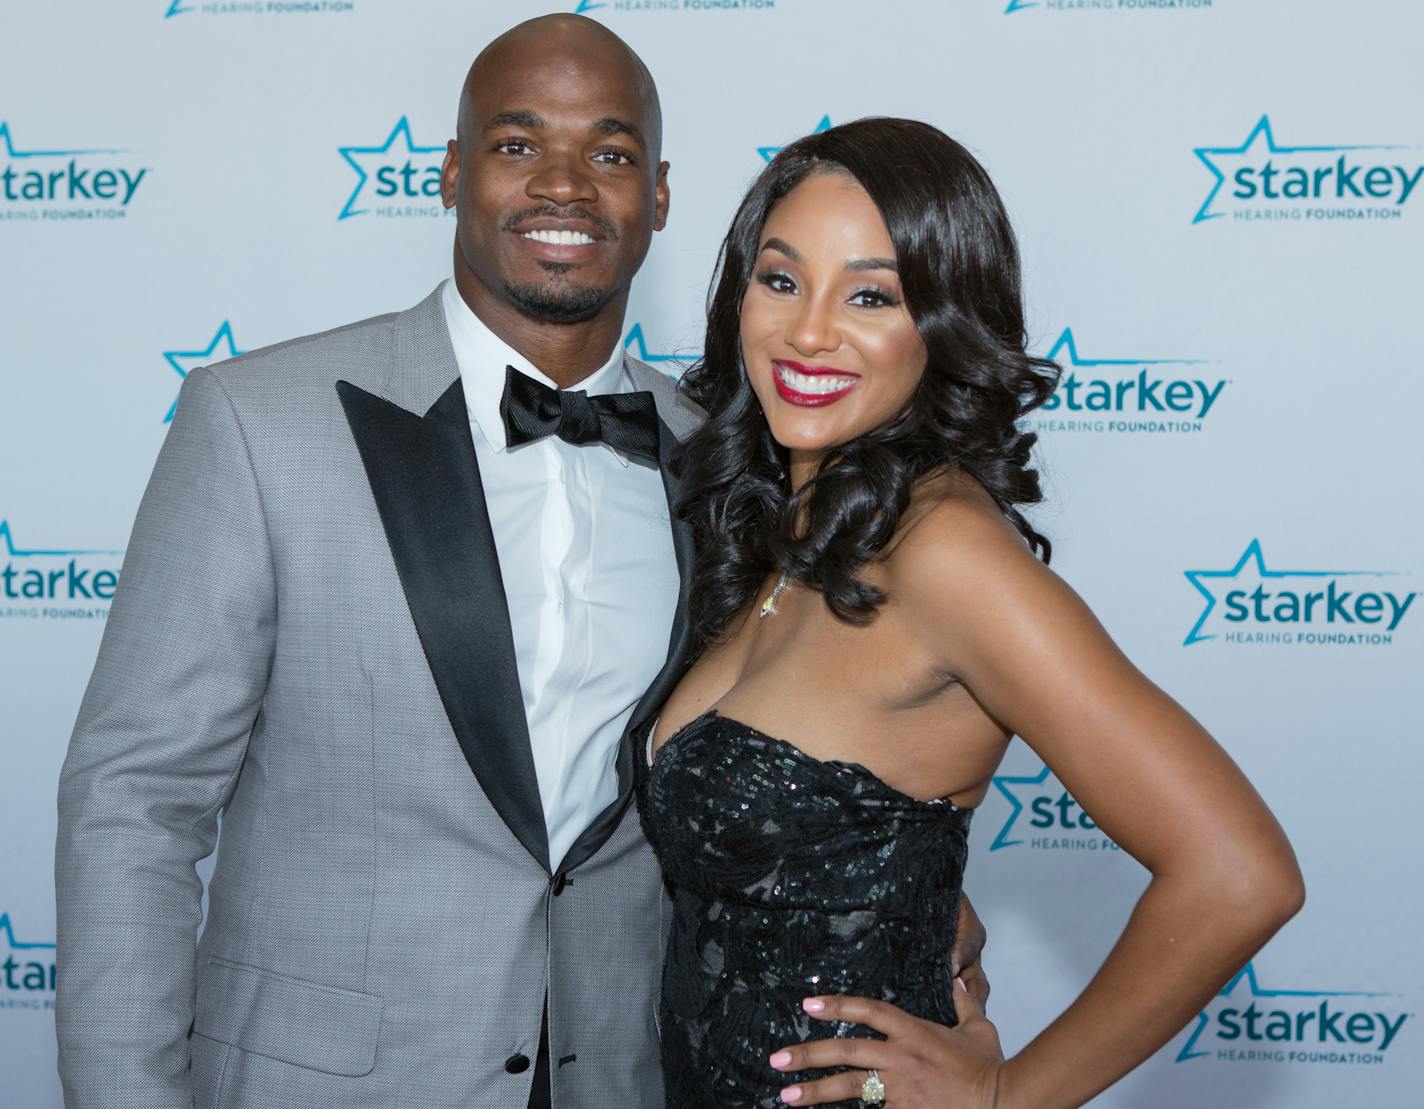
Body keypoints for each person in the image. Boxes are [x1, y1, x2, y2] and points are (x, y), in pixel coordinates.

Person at [53, 17, 985, 1109]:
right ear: (451, 172)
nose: (565, 184)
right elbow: (134, 804)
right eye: (515, 144)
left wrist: (931, 927)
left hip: (634, 1072)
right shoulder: (259, 424)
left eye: (609, 151)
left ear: (660, 194)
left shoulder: (737, 463)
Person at [641, 117, 1305, 1108]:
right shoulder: (788, 535)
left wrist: (1003, 1095)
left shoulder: (944, 550)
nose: (809, 329)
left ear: (942, 324)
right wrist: (903, 899)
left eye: (870, 294)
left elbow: (1239, 869)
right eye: (780, 279)